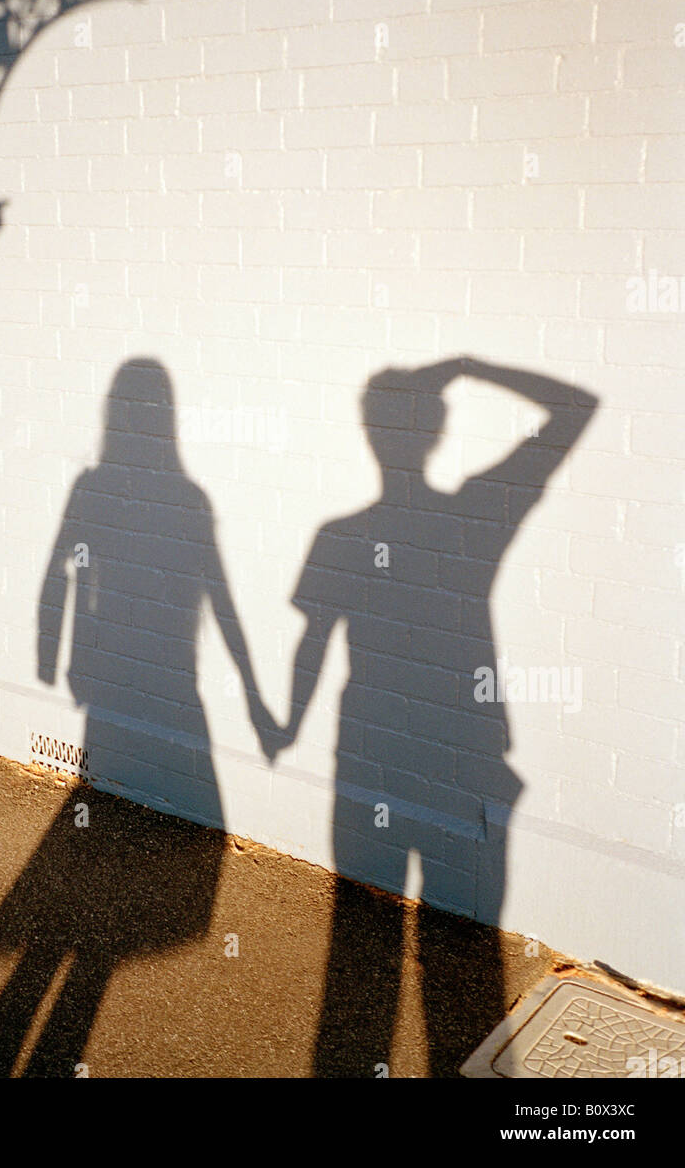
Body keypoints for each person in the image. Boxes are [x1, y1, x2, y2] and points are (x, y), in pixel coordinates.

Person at [274, 356, 597, 1075]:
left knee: (358, 966)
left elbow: (311, 645)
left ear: (370, 434)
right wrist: (472, 368)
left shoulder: (342, 534)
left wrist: (288, 726)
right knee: (467, 969)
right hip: (464, 752)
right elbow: (574, 407)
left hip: (367, 750)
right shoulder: (476, 514)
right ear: (438, 432)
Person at [0, 358, 275, 1076]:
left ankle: (70, 965)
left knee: (92, 811)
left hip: (115, 671)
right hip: (163, 674)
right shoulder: (177, 494)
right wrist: (253, 690)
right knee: (108, 825)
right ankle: (86, 971)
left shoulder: (100, 485)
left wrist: (53, 653)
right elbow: (216, 596)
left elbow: (60, 575)